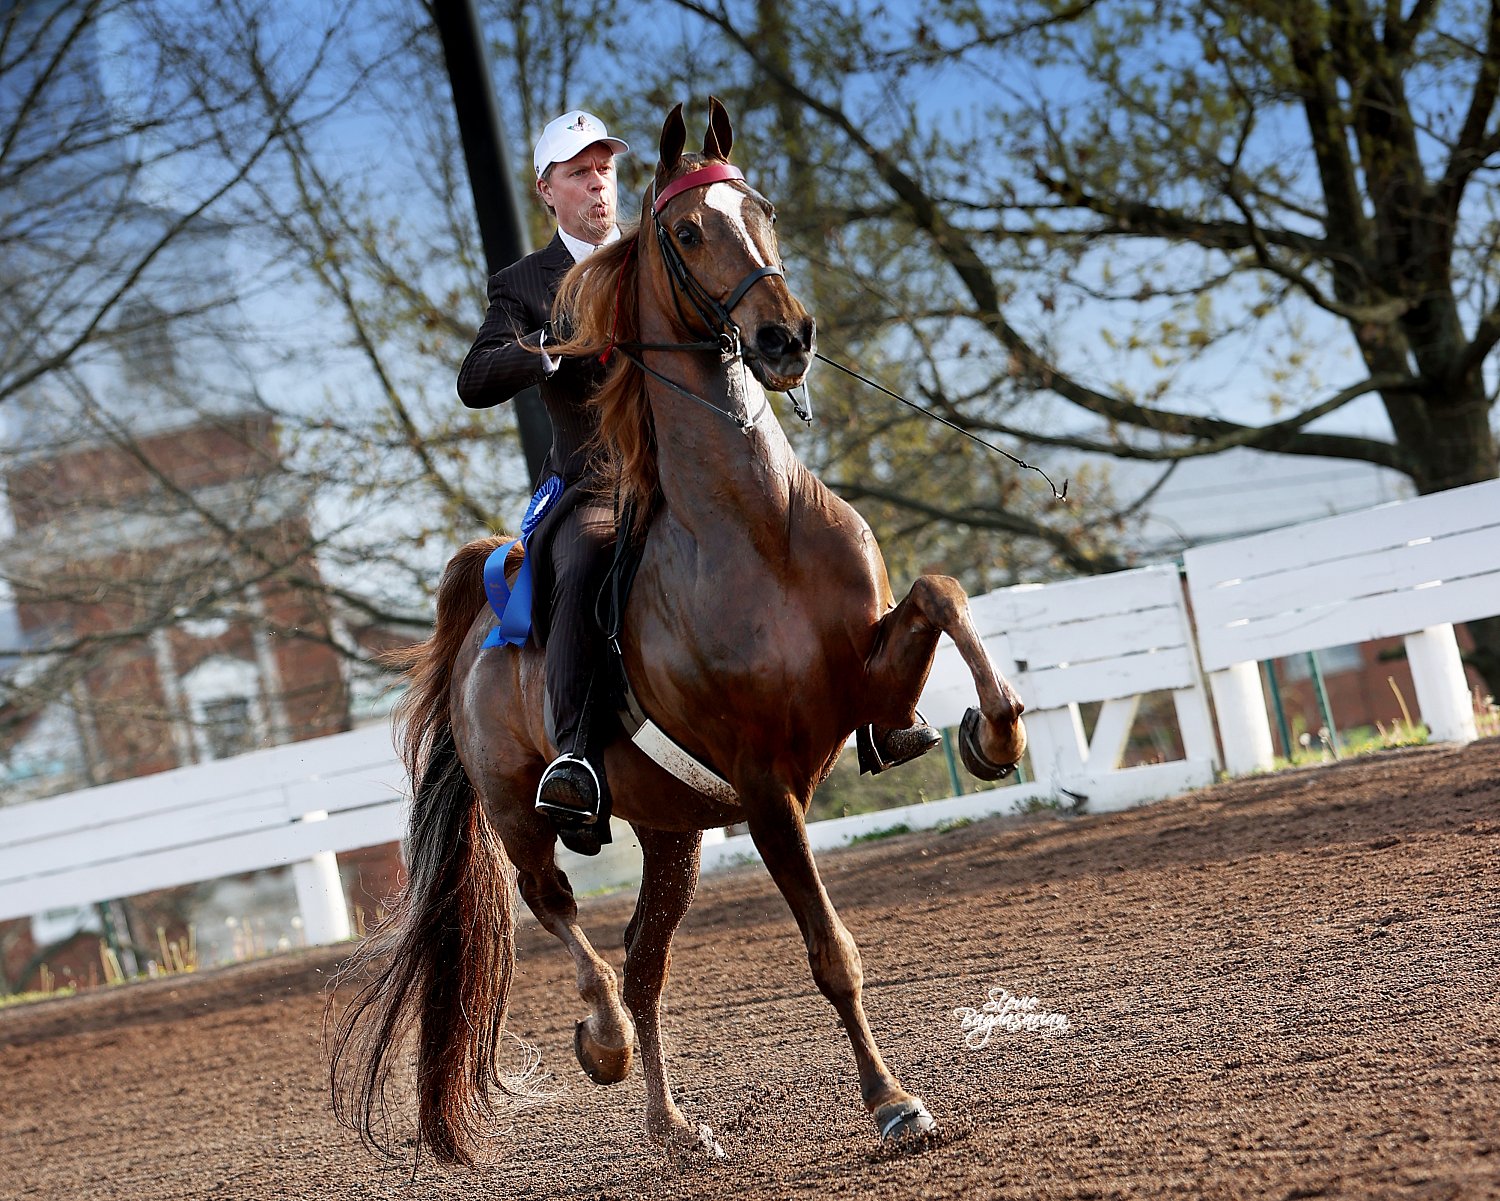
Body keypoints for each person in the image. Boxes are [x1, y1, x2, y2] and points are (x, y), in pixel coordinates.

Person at [457, 110, 629, 851]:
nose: (598, 184)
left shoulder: (658, 251)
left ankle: (873, 708)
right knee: (589, 553)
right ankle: (576, 760)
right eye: (579, 173)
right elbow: (476, 377)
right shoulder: (524, 284)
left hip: (690, 467)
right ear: (546, 191)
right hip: (593, 486)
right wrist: (548, 345)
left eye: (606, 169)